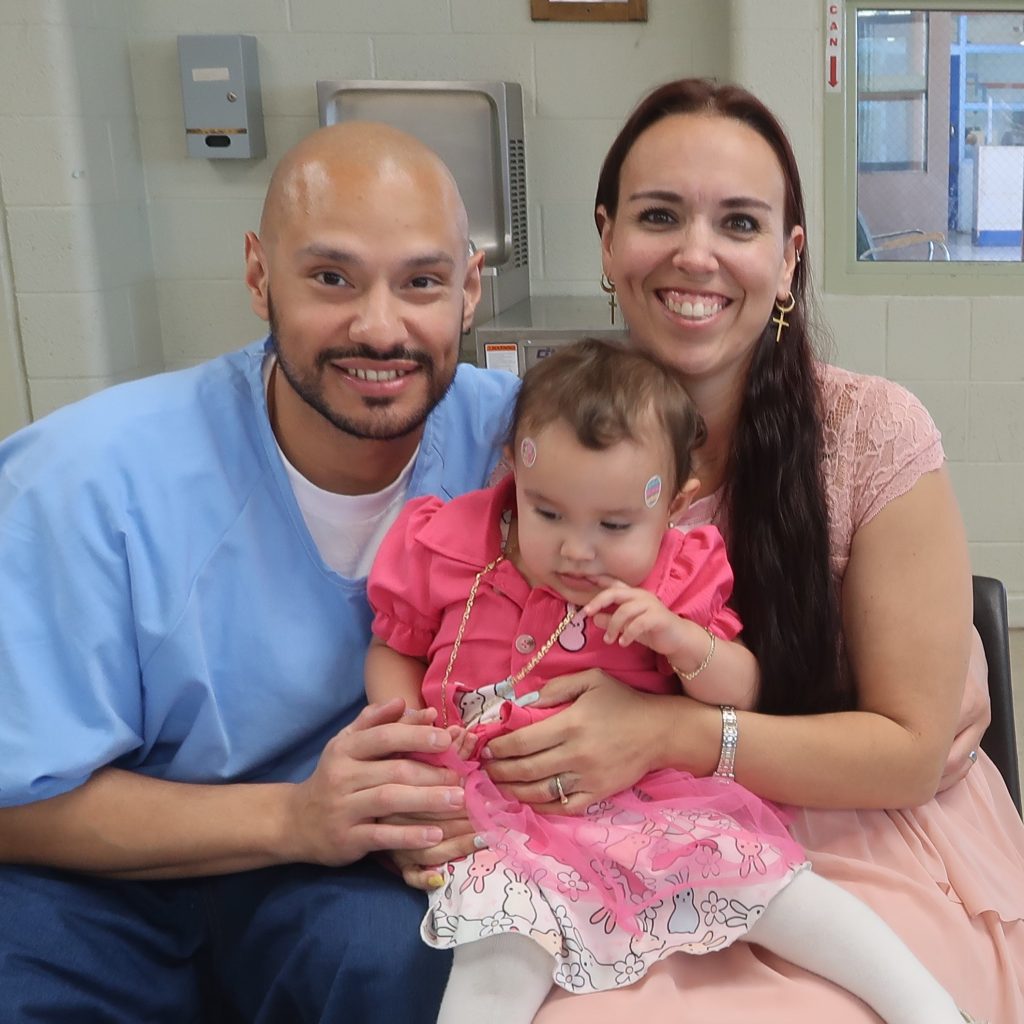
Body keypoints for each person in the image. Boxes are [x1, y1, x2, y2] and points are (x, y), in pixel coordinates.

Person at [386, 79, 1024, 1023]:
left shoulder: (870, 436)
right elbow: (430, 628)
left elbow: (903, 753)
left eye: (738, 222)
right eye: (658, 216)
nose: (696, 254)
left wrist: (669, 734)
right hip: (609, 834)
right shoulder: (550, 433)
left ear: (788, 254)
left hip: (862, 835)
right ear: (607, 239)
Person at [0, 121, 520, 1021]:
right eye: (332, 278)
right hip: (97, 880)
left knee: (400, 967)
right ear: (257, 275)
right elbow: (16, 802)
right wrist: (294, 819)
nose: (380, 327)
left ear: (470, 290)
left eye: (422, 282)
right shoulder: (84, 482)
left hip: (339, 884)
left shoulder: (522, 451)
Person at [365, 337, 972, 1024]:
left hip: (646, 801)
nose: (576, 549)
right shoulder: (451, 545)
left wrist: (681, 641)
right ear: (512, 473)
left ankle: (928, 1007)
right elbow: (395, 645)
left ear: (674, 505)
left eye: (614, 524)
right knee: (498, 946)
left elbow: (740, 687)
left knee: (773, 887)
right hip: (500, 814)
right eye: (547, 512)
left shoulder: (672, 575)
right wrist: (410, 731)